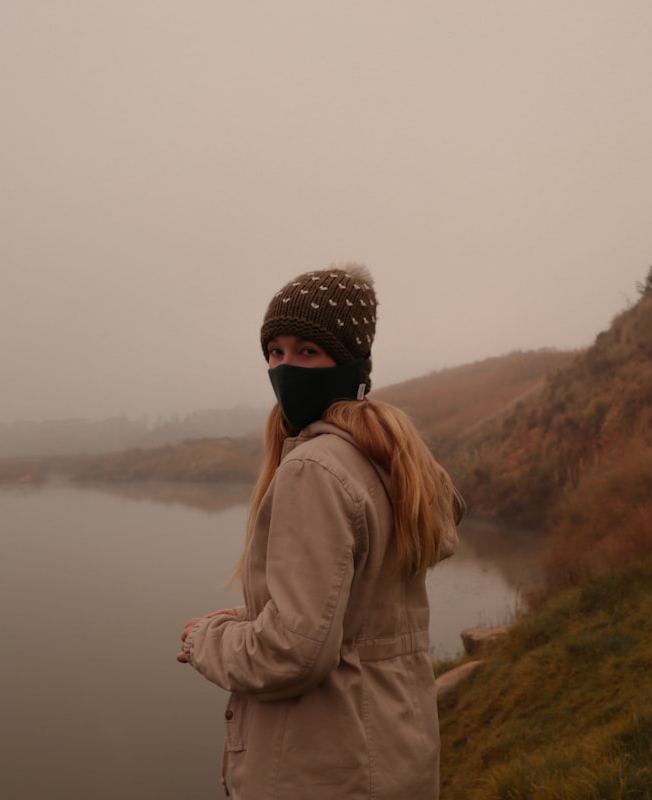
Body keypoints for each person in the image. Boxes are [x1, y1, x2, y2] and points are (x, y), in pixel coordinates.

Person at [176, 263, 465, 799]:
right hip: (393, 755)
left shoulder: (315, 468)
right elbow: (349, 615)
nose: (286, 367)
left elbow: (293, 652)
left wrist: (204, 640)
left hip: (322, 771)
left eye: (307, 351)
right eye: (275, 351)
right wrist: (251, 615)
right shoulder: (386, 459)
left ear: (351, 362)